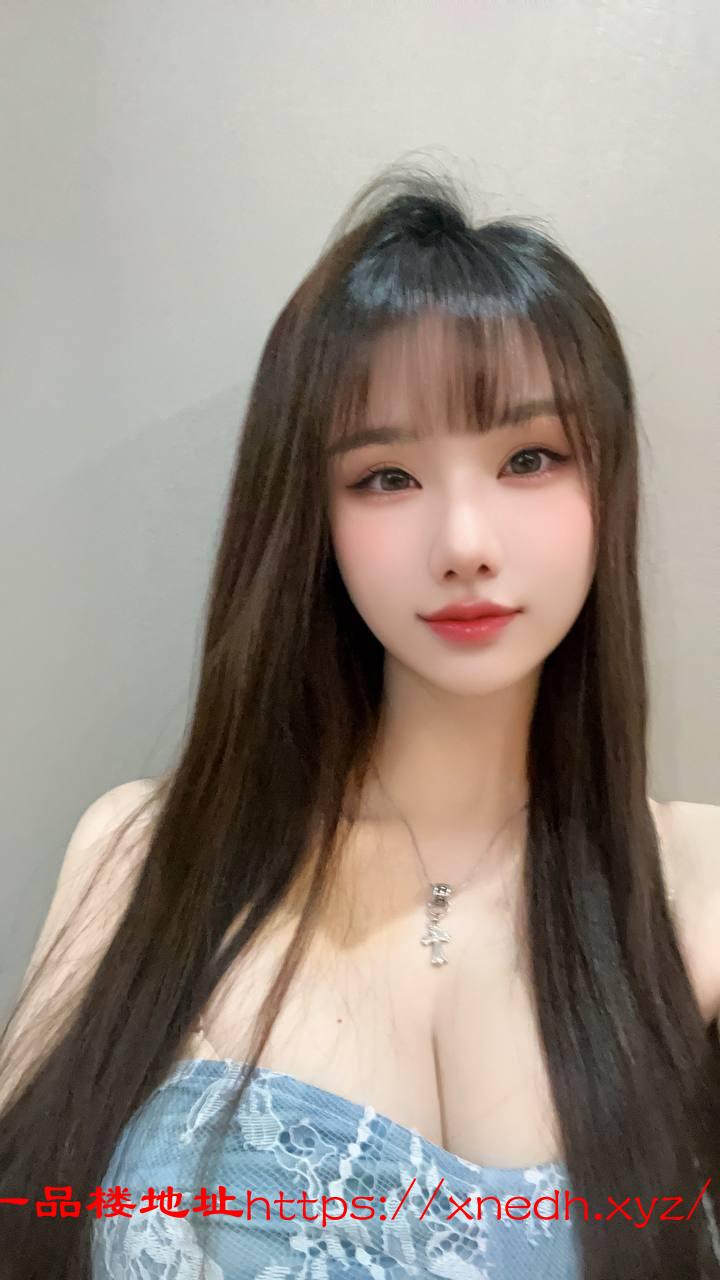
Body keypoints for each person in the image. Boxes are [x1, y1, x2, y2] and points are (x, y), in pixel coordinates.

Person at [1, 162, 719, 1280]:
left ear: (606, 487)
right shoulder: (142, 857)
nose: (464, 541)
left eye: (530, 458)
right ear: (311, 517)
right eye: (386, 476)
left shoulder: (700, 888)